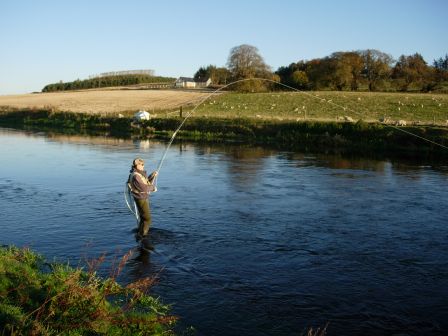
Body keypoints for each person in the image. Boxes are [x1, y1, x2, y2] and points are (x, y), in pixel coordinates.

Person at [128, 157, 158, 239]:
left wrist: (152, 176)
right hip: (141, 198)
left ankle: (140, 233)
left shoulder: (137, 174)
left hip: (141, 197)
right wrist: (153, 188)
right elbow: (143, 188)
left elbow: (144, 182)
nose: (143, 166)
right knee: (147, 219)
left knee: (143, 218)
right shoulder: (136, 176)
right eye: (142, 164)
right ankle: (143, 237)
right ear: (137, 165)